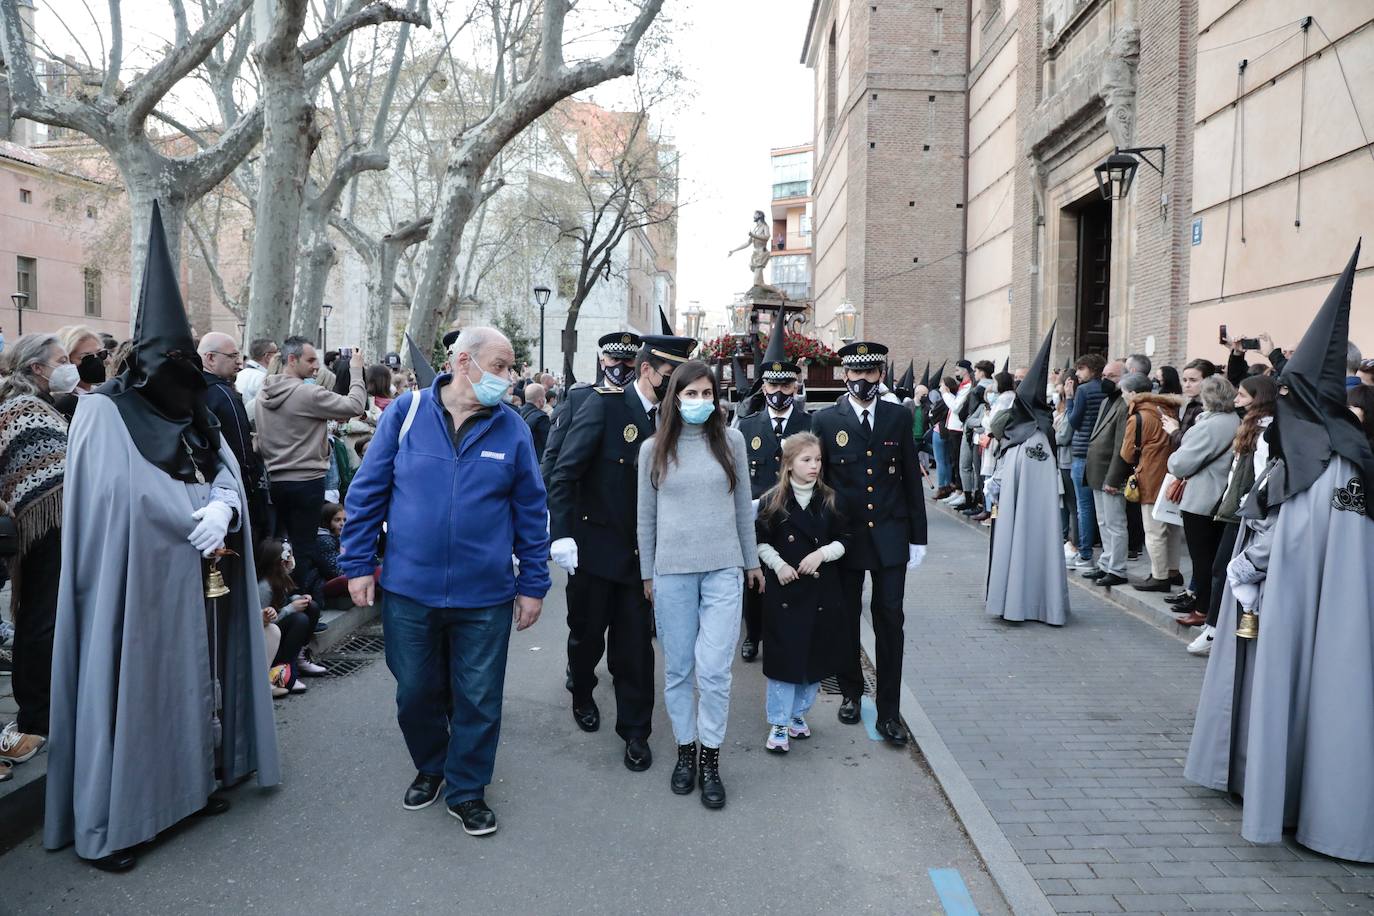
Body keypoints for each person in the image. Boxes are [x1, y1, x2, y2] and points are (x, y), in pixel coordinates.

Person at [45, 203, 279, 872]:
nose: (187, 381)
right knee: (135, 691)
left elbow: (228, 467)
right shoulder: (101, 414)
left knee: (194, 685)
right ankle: (123, 822)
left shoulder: (196, 408)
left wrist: (226, 506)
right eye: (173, 366)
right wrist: (191, 516)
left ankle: (194, 785)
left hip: (200, 582)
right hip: (135, 587)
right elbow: (115, 498)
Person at [1186, 242, 1374, 862]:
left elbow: (1295, 531)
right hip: (1313, 599)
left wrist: (1247, 565)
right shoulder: (1342, 453)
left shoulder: (1321, 457)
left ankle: (1297, 805)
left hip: (1291, 597)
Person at [342, 326, 549, 837]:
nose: (510, 377)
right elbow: (367, 493)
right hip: (411, 591)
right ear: (462, 362)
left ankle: (466, 788)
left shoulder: (513, 429)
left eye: (511, 367)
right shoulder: (405, 414)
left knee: (479, 696)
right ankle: (431, 765)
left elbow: (531, 509)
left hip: (486, 595)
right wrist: (357, 565)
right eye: (499, 366)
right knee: (415, 691)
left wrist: (534, 584)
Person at [549, 333, 693, 770]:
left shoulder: (677, 420)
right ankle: (582, 690)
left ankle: (635, 732)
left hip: (642, 559)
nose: (674, 389)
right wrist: (562, 533)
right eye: (669, 378)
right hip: (593, 549)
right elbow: (564, 472)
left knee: (635, 650)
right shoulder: (604, 406)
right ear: (646, 370)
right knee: (587, 637)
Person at [636, 359, 760, 807]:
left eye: (708, 394)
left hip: (724, 568)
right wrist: (648, 572)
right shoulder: (654, 449)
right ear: (676, 398)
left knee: (713, 670)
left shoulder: (732, 442)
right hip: (672, 573)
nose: (701, 402)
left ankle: (711, 757)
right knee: (679, 669)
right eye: (692, 394)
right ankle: (684, 752)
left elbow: (744, 507)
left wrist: (751, 563)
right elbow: (645, 517)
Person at [812, 340, 926, 745]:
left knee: (890, 619)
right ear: (845, 375)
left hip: (892, 533)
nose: (862, 380)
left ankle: (890, 712)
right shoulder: (826, 421)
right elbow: (818, 483)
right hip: (845, 536)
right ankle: (850, 692)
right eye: (855, 373)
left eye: (870, 373)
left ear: (880, 374)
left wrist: (919, 536)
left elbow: (912, 477)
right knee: (844, 617)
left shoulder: (898, 416)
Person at [0, 335, 71, 767]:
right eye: (61, 360)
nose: (68, 366)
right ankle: (35, 716)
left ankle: (41, 711)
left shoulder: (37, 405)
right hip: (46, 524)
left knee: (43, 617)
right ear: (38, 368)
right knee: (42, 618)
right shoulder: (22, 409)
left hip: (49, 522)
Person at [753, 432, 848, 753]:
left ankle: (797, 715)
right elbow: (760, 541)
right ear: (789, 464)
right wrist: (778, 565)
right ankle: (778, 721)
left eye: (818, 459)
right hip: (785, 594)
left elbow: (846, 539)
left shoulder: (831, 499)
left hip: (821, 593)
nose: (814, 466)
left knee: (814, 659)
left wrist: (821, 554)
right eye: (806, 460)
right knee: (783, 660)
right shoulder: (772, 501)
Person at [255, 337, 366, 599]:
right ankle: (300, 604)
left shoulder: (263, 394)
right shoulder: (308, 393)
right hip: (306, 481)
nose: (316, 366)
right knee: (302, 548)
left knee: (278, 546)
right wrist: (357, 370)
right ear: (291, 360)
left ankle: (281, 605)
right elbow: (355, 406)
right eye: (311, 360)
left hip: (275, 481)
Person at [734, 318, 811, 661]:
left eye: (786, 385)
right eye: (772, 385)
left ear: (796, 387)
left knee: (793, 578)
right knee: (755, 581)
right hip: (759, 519)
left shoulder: (809, 425)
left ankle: (788, 635)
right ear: (763, 387)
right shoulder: (748, 426)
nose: (779, 392)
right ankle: (753, 635)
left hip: (797, 517)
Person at [1183, 374, 1277, 654]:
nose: (1237, 400)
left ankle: (1216, 630)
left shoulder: (1266, 431)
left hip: (1250, 512)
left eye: (1243, 396)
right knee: (1221, 568)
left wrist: (1252, 502)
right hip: (1237, 507)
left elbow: (1264, 475)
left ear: (1258, 399)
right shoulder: (1250, 426)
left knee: (1226, 568)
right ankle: (1218, 627)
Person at [985, 327, 1069, 625]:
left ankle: (1027, 604)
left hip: (1029, 511)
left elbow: (1010, 472)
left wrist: (994, 488)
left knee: (1028, 548)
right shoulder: (1028, 433)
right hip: (1017, 507)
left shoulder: (1034, 438)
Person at [1166, 375, 1239, 624]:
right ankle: (1209, 607)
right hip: (1223, 496)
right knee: (1214, 557)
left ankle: (1203, 609)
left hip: (1202, 498)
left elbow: (1179, 463)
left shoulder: (1208, 426)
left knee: (1202, 558)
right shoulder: (1235, 420)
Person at [199, 332, 270, 546]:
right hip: (231, 493)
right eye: (232, 356)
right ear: (210, 358)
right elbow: (241, 452)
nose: (240, 362)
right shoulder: (223, 395)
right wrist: (251, 492)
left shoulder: (192, 390)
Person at [541, 331, 640, 479]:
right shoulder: (580, 398)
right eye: (614, 359)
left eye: (627, 360)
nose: (620, 365)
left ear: (636, 363)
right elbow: (554, 450)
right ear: (602, 362)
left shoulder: (642, 401)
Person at [1120, 383, 1184, 592]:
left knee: (1154, 531)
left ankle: (1159, 576)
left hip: (1150, 477)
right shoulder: (1169, 409)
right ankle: (1174, 571)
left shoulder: (1139, 417)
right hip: (1174, 475)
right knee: (1172, 527)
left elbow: (1127, 453)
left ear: (1132, 394)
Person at [1081, 362, 1130, 587]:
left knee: (1115, 523)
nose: (1106, 379)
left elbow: (1121, 445)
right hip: (1096, 471)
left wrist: (1114, 478)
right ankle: (1105, 563)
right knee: (1103, 521)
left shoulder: (1125, 404)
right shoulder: (1105, 402)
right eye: (1104, 375)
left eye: (1112, 376)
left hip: (1111, 474)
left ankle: (1117, 569)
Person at [254, 538, 314, 695]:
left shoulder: (281, 579)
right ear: (280, 562)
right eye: (289, 557)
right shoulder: (264, 587)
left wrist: (296, 600)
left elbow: (282, 602)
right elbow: (262, 621)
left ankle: (299, 658)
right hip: (268, 633)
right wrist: (290, 609)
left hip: (279, 623)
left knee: (311, 608)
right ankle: (280, 671)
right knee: (299, 620)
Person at [1066, 353, 1106, 571]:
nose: (1078, 373)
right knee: (1100, 508)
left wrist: (1070, 399)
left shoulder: (1083, 390)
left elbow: (1073, 421)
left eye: (1081, 369)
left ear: (1091, 369)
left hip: (1082, 451)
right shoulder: (1106, 389)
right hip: (1102, 453)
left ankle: (1085, 554)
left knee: (1084, 507)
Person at [939, 362, 973, 507]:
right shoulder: (963, 386)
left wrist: (945, 393)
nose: (956, 372)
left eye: (958, 369)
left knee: (960, 462)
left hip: (959, 429)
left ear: (965, 371)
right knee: (955, 461)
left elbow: (956, 407)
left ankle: (962, 491)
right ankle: (958, 490)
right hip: (953, 428)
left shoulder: (968, 386)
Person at [236, 338, 278, 419]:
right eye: (276, 353)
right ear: (268, 357)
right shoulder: (264, 379)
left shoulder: (240, 374)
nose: (279, 357)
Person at [519, 383, 550, 460]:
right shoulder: (542, 418)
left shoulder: (518, 412)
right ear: (540, 400)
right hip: (535, 460)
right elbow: (548, 443)